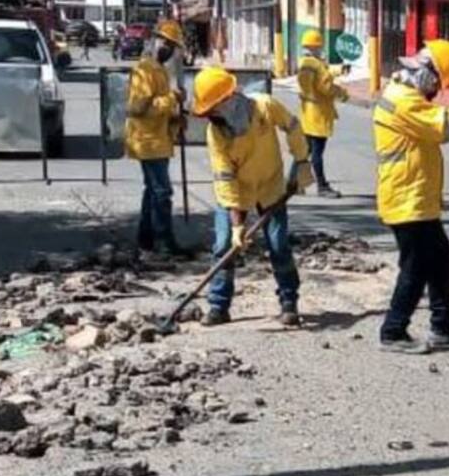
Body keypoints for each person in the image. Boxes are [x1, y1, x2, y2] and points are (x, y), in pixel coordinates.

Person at [374, 39, 449, 354]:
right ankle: (393, 330)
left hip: (416, 197)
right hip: (407, 200)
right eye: (437, 84)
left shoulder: (406, 96)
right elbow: (444, 127)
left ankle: (444, 325)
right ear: (427, 75)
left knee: (439, 255)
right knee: (416, 265)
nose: (437, 91)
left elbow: (439, 127)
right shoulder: (403, 102)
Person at [192, 66, 313, 327]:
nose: (210, 115)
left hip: (270, 185)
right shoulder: (216, 133)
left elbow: (292, 126)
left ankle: (289, 301)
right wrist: (238, 226)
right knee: (224, 245)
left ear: (230, 98)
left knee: (278, 244)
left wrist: (301, 161)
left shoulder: (264, 106)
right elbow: (225, 181)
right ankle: (218, 305)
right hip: (237, 191)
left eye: (214, 107)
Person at [125, 20, 189, 256]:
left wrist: (175, 118)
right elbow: (137, 108)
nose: (168, 49)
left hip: (158, 139)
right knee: (162, 192)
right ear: (155, 41)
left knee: (152, 191)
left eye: (172, 46)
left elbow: (159, 107)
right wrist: (172, 99)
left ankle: (146, 239)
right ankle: (163, 240)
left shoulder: (160, 69)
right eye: (166, 43)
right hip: (147, 140)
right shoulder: (144, 69)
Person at [296, 28, 348, 198]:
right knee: (317, 152)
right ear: (317, 46)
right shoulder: (317, 65)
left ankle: (295, 183)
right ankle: (322, 186)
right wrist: (341, 92)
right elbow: (325, 87)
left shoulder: (303, 63)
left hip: (306, 112)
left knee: (305, 151)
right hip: (318, 114)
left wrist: (332, 72)